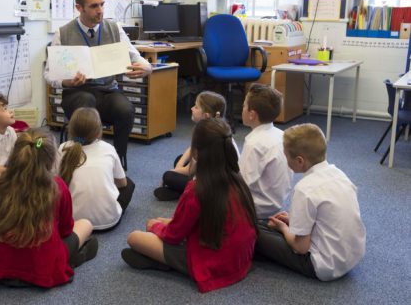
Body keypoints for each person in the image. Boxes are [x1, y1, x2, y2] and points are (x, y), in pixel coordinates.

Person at [121, 118, 257, 293]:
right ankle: (161, 260)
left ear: (197, 153)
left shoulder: (197, 188)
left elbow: (173, 236)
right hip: (240, 259)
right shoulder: (237, 179)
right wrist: (166, 223)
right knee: (163, 221)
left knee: (135, 237)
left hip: (213, 262)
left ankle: (168, 263)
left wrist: (156, 227)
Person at [44, 0, 152, 170]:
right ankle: (80, 154)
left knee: (125, 109)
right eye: (94, 6)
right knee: (85, 102)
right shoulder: (63, 33)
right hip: (77, 92)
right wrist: (67, 81)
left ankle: (118, 159)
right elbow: (49, 75)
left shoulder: (114, 28)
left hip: (107, 91)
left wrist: (146, 67)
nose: (100, 10)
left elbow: (135, 55)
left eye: (102, 4)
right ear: (79, 7)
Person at [0, 129, 98, 288]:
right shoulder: (57, 186)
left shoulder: (2, 183)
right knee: (86, 224)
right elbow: (66, 230)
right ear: (50, 159)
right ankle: (72, 258)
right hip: (41, 268)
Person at [256, 123, 366, 281]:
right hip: (352, 257)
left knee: (255, 229)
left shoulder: (304, 189)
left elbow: (300, 248)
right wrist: (292, 221)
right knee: (274, 223)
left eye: (286, 157)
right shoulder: (339, 174)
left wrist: (283, 228)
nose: (285, 161)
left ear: (300, 161)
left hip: (322, 266)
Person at [154, 90, 239, 201]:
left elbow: (190, 170)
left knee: (168, 176)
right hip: (216, 178)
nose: (192, 108)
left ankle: (184, 193)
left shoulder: (208, 137)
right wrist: (179, 165)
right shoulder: (217, 127)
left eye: (196, 107)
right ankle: (180, 191)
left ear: (206, 115)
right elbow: (192, 149)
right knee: (179, 159)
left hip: (212, 188)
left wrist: (172, 172)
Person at [58, 107, 134, 231]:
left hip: (71, 220)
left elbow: (55, 180)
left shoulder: (63, 148)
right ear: (99, 130)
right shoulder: (108, 148)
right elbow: (122, 183)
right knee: (129, 184)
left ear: (70, 128)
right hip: (108, 222)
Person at [239, 83, 293, 220]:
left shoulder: (254, 143)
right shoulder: (282, 135)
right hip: (275, 204)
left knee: (200, 187)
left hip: (254, 208)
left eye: (244, 105)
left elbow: (241, 184)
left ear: (252, 115)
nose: (242, 108)